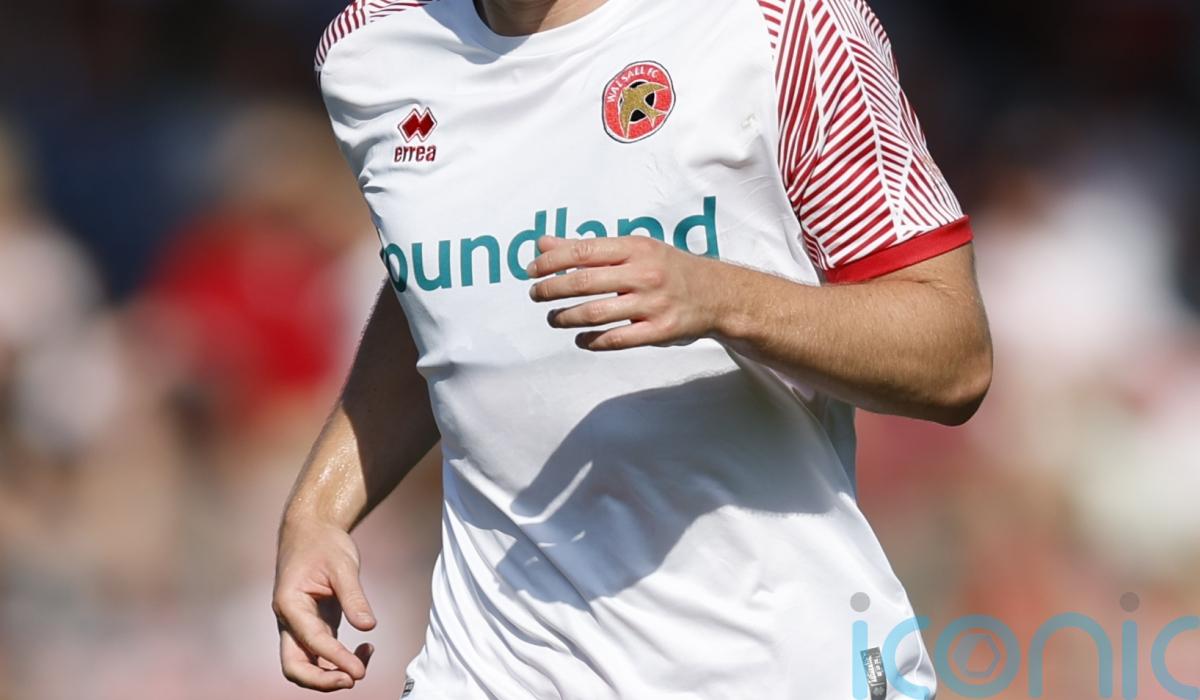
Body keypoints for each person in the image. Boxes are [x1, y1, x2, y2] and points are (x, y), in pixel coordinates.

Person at [272, 0, 992, 697]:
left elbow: (954, 357)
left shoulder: (780, 25)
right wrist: (318, 512)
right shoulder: (373, 50)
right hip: (488, 669)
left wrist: (719, 297)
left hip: (773, 663)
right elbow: (438, 299)